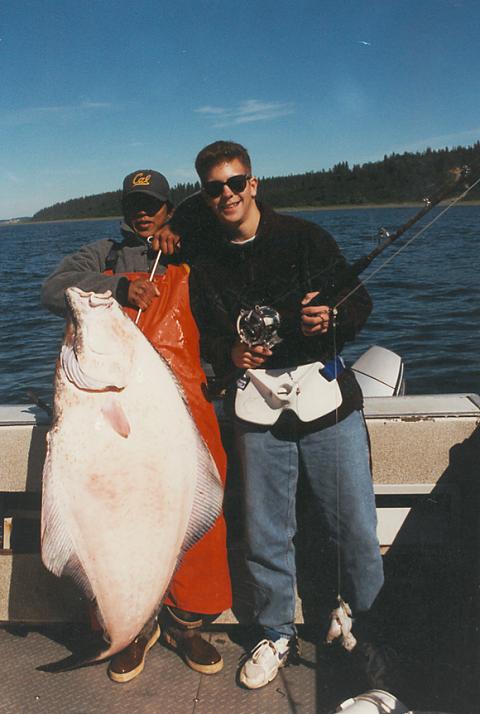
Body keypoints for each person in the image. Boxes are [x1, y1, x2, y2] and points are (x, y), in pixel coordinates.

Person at [181, 141, 385, 690]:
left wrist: (330, 321)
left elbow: (358, 303)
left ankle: (365, 626)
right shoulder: (205, 260)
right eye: (213, 187)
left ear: (254, 183)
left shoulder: (306, 238)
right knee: (267, 532)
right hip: (256, 404)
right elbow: (208, 331)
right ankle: (275, 632)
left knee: (356, 529)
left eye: (235, 181)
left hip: (325, 400)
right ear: (203, 195)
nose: (226, 194)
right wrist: (231, 352)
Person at [41, 169, 232, 683]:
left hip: (187, 405)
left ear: (169, 205)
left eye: (153, 204)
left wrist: (186, 232)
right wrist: (119, 286)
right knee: (116, 521)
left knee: (194, 525)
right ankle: (132, 626)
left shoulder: (195, 245)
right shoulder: (100, 254)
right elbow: (53, 290)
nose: (143, 213)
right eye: (134, 204)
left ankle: (185, 624)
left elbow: (226, 220)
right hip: (117, 410)